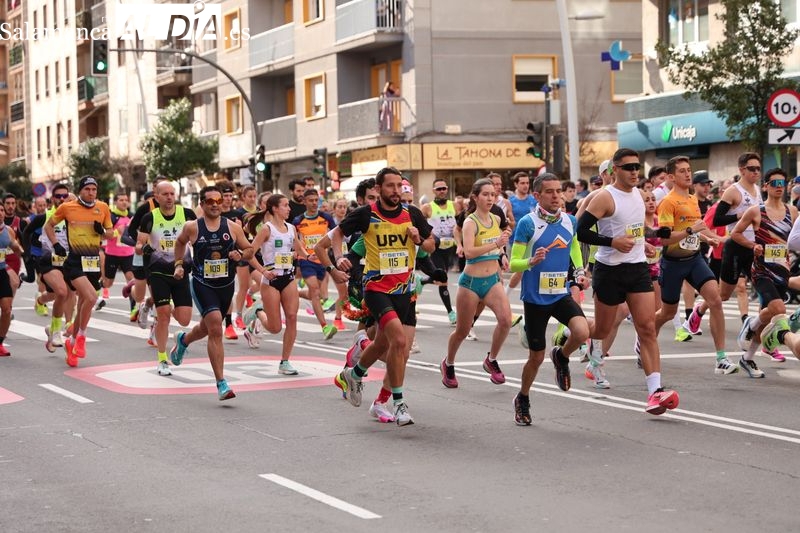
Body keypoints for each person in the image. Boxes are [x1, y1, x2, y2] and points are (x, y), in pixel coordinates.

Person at [322, 167, 434, 426]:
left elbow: (431, 245)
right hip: (376, 288)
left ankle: (354, 373)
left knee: (384, 345)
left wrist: (419, 239)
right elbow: (337, 234)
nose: (396, 191)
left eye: (399, 186)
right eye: (391, 186)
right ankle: (398, 403)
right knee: (398, 341)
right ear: (380, 189)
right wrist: (339, 257)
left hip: (404, 290)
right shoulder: (366, 214)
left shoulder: (411, 214)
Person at [577, 148, 679, 415]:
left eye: (637, 167)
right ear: (614, 170)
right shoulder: (604, 197)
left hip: (636, 269)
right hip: (609, 270)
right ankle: (575, 338)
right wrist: (612, 242)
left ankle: (655, 391)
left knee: (646, 328)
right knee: (602, 328)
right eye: (629, 167)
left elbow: (635, 229)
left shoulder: (638, 194)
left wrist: (650, 237)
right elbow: (582, 231)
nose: (635, 172)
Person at [512, 173, 594, 424]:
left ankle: (562, 356)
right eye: (550, 191)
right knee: (535, 357)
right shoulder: (527, 223)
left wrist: (579, 271)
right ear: (537, 195)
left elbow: (572, 248)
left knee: (582, 332)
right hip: (536, 299)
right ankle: (523, 398)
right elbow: (514, 262)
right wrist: (530, 261)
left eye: (558, 191)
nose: (556, 196)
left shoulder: (570, 221)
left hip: (559, 293)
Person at [169, 185, 254, 401]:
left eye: (219, 200)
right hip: (201, 283)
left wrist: (240, 254)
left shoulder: (233, 227)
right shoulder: (192, 227)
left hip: (226, 285)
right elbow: (179, 243)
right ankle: (221, 383)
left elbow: (250, 249)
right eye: (210, 201)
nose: (216, 205)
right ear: (202, 204)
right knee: (216, 325)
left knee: (208, 328)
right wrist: (179, 264)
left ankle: (184, 340)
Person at [652, 156, 733, 375]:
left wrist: (710, 238)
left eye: (689, 170)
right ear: (671, 177)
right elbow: (666, 239)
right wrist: (692, 231)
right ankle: (645, 341)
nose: (688, 174)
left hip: (695, 260)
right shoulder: (667, 202)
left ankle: (721, 358)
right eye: (682, 171)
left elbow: (698, 229)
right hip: (673, 263)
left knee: (715, 300)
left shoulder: (692, 199)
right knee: (666, 313)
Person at [440, 178, 512, 388]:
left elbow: (497, 247)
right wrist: (496, 243)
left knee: (506, 320)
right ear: (475, 197)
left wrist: (502, 254)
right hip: (471, 282)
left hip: (491, 281)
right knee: (463, 330)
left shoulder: (496, 219)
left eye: (493, 195)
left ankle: (491, 360)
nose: (490, 198)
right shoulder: (470, 222)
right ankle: (449, 363)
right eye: (485, 194)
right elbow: (469, 252)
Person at [684, 153, 763, 344]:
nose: (756, 172)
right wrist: (741, 216)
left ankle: (760, 337)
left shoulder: (758, 191)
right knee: (724, 295)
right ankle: (699, 310)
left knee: (764, 292)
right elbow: (718, 220)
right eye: (752, 169)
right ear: (742, 170)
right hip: (735, 247)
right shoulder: (733, 192)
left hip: (755, 248)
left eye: (758, 169)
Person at [731, 168, 797, 377]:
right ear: (766, 186)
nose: (779, 187)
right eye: (774, 183)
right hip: (762, 272)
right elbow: (735, 233)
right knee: (777, 308)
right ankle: (758, 326)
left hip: (782, 271)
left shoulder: (792, 212)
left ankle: (747, 358)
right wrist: (752, 246)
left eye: (782, 183)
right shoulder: (756, 211)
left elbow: (795, 240)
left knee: (767, 317)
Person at [44, 176, 114, 367]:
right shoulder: (68, 207)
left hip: (92, 262)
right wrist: (56, 244)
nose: (91, 193)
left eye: (94, 189)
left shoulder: (103, 208)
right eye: (87, 189)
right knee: (91, 298)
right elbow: (48, 225)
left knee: (85, 303)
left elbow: (111, 233)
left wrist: (102, 231)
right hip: (74, 261)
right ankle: (81, 337)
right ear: (81, 190)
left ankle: (72, 343)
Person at [136, 181, 197, 376]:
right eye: (165, 194)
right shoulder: (149, 217)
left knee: (185, 319)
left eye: (172, 193)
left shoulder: (187, 214)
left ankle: (178, 338)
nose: (169, 197)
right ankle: (162, 359)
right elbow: (139, 244)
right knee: (163, 315)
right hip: (158, 272)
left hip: (180, 271)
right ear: (157, 196)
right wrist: (144, 248)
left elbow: (197, 238)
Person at [243, 194, 305, 375]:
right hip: (270, 280)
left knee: (292, 317)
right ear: (275, 209)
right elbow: (250, 253)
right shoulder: (266, 229)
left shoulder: (292, 228)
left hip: (288, 277)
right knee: (275, 328)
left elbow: (300, 249)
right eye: (285, 205)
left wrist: (310, 256)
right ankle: (257, 313)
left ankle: (285, 362)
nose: (289, 208)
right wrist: (262, 271)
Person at [294, 188, 340, 340]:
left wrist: (337, 254)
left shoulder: (326, 218)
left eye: (316, 200)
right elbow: (294, 240)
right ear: (305, 202)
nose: (314, 203)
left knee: (316, 293)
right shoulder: (298, 221)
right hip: (306, 260)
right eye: (311, 200)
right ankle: (325, 326)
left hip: (323, 261)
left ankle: (293, 293)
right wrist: (299, 252)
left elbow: (336, 235)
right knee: (314, 291)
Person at [421, 178, 459, 324]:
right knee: (443, 279)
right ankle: (450, 312)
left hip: (450, 247)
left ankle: (422, 281)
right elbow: (418, 223)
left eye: (444, 188)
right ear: (433, 191)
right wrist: (429, 237)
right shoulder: (427, 208)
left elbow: (461, 223)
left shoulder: (455, 205)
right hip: (436, 247)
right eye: (439, 189)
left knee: (441, 276)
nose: (442, 191)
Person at [97, 193, 134, 310]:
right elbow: (103, 236)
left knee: (132, 280)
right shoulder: (111, 217)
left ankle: (134, 308)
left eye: (126, 200)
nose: (124, 202)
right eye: (121, 200)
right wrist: (117, 231)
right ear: (116, 202)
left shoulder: (131, 216)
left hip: (128, 254)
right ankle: (96, 287)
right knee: (108, 283)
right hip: (112, 255)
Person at [0, 203, 26, 355]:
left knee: (7, 308)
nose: (1, 213)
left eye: (2, 210)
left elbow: (16, 247)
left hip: (1, 271)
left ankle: (0, 342)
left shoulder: (7, 230)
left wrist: (25, 254)